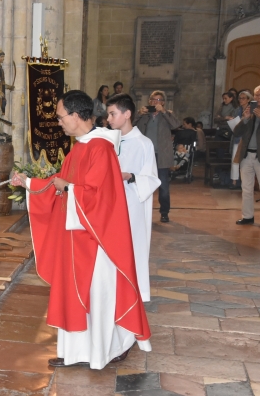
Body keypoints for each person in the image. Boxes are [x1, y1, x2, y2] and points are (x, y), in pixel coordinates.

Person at [11, 90, 151, 369]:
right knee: (76, 294)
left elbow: (100, 197)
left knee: (98, 295)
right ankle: (75, 352)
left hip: (97, 240)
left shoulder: (100, 148)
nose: (59, 123)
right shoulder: (80, 147)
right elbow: (60, 183)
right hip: (76, 237)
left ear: (76, 116)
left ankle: (106, 350)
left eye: (61, 117)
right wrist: (29, 183)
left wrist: (70, 188)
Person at [107, 94, 160, 302]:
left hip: (132, 205)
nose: (109, 119)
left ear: (127, 114)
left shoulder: (143, 143)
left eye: (112, 114)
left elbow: (152, 178)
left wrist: (131, 176)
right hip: (109, 205)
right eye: (108, 114)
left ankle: (131, 296)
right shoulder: (107, 142)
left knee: (131, 250)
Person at [133, 90, 180, 223]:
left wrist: (164, 112)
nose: (155, 102)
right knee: (141, 184)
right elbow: (130, 127)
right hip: (145, 155)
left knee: (163, 185)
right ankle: (140, 212)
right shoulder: (144, 115)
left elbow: (176, 125)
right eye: (153, 100)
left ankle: (164, 212)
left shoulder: (167, 115)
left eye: (158, 100)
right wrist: (138, 115)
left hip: (161, 155)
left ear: (163, 103)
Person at [233, 85, 260, 225]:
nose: (257, 98)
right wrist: (245, 119)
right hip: (247, 155)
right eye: (256, 95)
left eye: (259, 95)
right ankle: (248, 216)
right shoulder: (250, 112)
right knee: (247, 188)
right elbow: (237, 133)